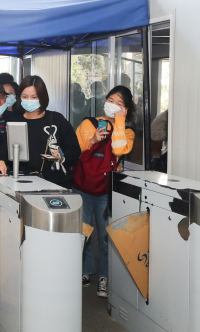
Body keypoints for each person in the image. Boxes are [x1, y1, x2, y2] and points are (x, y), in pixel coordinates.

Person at [74, 85, 136, 299]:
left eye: (119, 103)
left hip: (106, 190)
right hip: (82, 186)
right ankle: (84, 270)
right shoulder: (88, 123)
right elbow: (73, 151)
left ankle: (104, 276)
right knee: (83, 232)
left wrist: (119, 121)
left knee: (105, 236)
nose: (113, 105)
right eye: (110, 100)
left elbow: (119, 149)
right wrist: (91, 140)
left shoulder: (127, 132)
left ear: (126, 109)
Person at [0, 76, 81, 187]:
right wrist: (0, 160)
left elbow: (74, 149)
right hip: (25, 182)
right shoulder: (15, 121)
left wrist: (62, 156)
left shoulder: (56, 119)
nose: (29, 100)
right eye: (25, 96)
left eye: (34, 97)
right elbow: (5, 148)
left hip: (57, 182)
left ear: (42, 97)